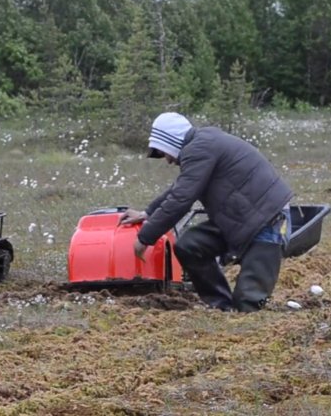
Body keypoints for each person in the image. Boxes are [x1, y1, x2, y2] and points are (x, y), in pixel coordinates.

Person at [119, 112, 293, 312]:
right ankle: (221, 307)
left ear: (171, 142)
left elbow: (182, 199)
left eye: (164, 152)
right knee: (190, 245)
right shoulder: (202, 144)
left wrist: (145, 238)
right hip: (240, 217)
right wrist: (148, 213)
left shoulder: (200, 148)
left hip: (266, 221)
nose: (167, 160)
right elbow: (181, 188)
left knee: (249, 304)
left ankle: (241, 315)